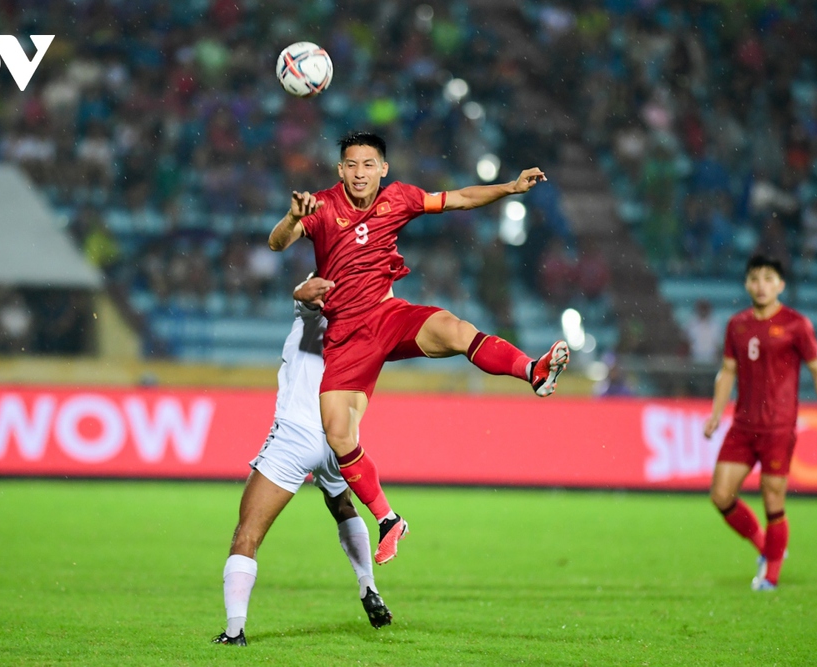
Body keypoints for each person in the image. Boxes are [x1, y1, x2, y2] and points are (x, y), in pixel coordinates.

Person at [268, 131, 569, 567]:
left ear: (383, 169)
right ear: (340, 170)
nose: (359, 173)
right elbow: (277, 243)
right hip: (347, 338)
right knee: (338, 433)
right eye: (351, 164)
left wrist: (510, 187)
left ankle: (533, 371)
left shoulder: (400, 199)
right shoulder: (321, 205)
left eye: (368, 164)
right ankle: (389, 520)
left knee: (453, 327)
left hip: (389, 316)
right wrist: (292, 218)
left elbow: (461, 198)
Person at [213, 277, 392, 647]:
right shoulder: (368, 316)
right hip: (339, 435)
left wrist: (315, 284)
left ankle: (234, 631)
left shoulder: (318, 296)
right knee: (342, 505)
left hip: (296, 433)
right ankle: (368, 586)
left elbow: (305, 294)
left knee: (246, 534)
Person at [703, 255, 817, 591]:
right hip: (743, 426)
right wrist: (717, 413)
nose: (760, 286)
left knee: (773, 496)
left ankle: (771, 579)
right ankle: (767, 547)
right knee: (720, 494)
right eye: (754, 278)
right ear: (747, 283)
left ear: (781, 284)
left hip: (778, 426)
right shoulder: (737, 325)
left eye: (768, 279)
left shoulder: (796, 324)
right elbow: (728, 371)